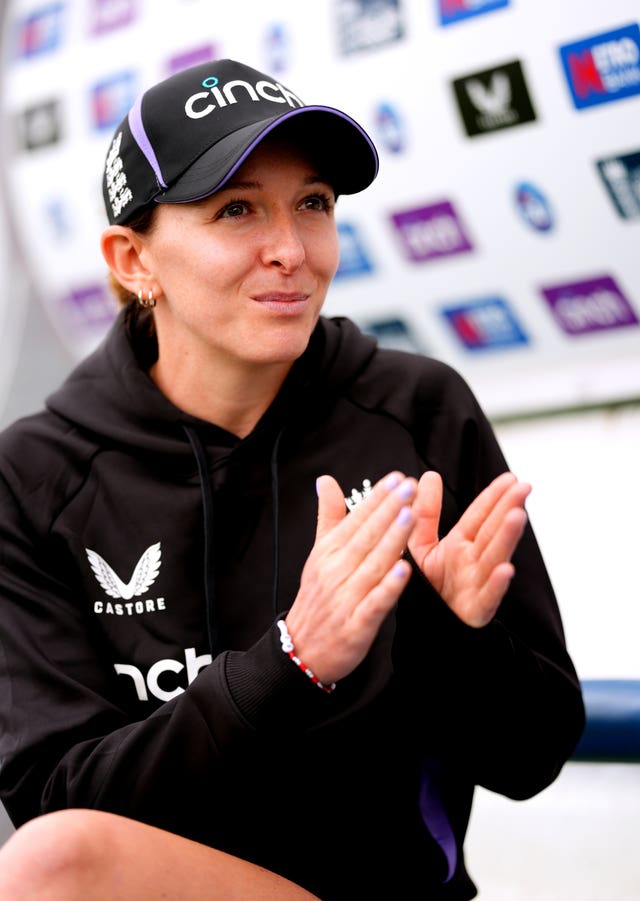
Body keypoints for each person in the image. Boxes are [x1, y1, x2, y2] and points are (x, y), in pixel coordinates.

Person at [0, 58, 584, 900]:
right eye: (236, 210)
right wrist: (295, 660)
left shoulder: (415, 409)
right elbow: (59, 807)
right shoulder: (33, 477)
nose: (291, 250)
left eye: (313, 204)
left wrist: (451, 641)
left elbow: (533, 757)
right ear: (133, 260)